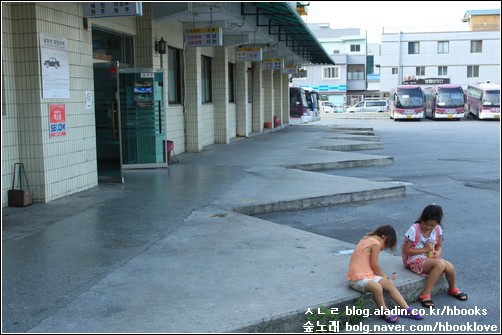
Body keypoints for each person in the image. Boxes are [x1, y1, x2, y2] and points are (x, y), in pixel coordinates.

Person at [346, 224, 423, 323]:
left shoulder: (367, 238)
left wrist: (381, 277)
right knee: (377, 287)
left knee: (388, 284)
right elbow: (374, 264)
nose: (383, 248)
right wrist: (382, 275)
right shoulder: (375, 244)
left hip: (367, 275)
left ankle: (406, 308)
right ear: (384, 237)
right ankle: (384, 311)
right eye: (386, 245)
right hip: (357, 279)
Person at [402, 204, 468, 308]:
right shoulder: (414, 229)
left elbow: (439, 247)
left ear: (437, 223)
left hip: (430, 258)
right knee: (440, 265)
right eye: (426, 224)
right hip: (413, 259)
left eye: (432, 225)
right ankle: (425, 294)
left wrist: (437, 253)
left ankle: (452, 289)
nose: (428, 227)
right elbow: (405, 250)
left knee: (450, 267)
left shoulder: (437, 230)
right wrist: (424, 250)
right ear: (422, 218)